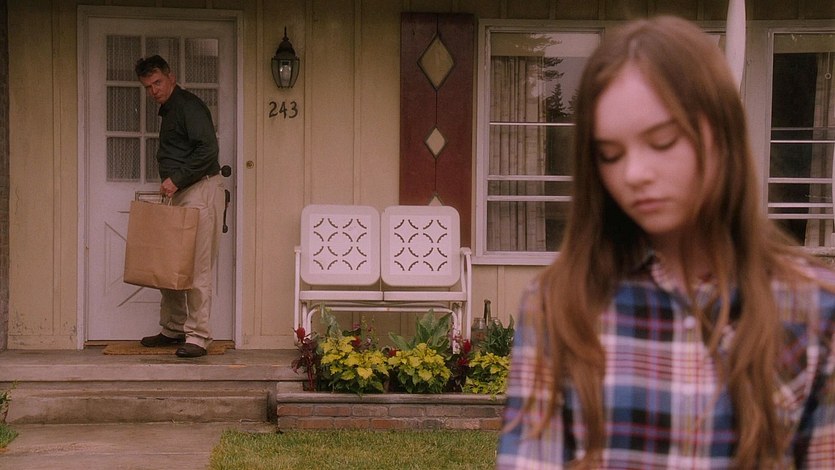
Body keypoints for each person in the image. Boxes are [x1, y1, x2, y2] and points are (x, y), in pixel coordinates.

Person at [497, 16, 835, 469]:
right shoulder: (560, 302)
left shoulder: (813, 306)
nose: (634, 174)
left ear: (722, 136)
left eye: (662, 142)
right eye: (610, 154)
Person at [134, 55, 225, 358]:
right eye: (148, 87)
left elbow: (208, 150)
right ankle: (174, 327)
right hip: (181, 192)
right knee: (170, 262)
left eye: (157, 82)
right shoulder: (170, 109)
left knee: (197, 266)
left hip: (199, 190)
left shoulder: (188, 106)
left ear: (171, 77)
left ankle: (198, 336)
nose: (153, 91)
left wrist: (177, 178)